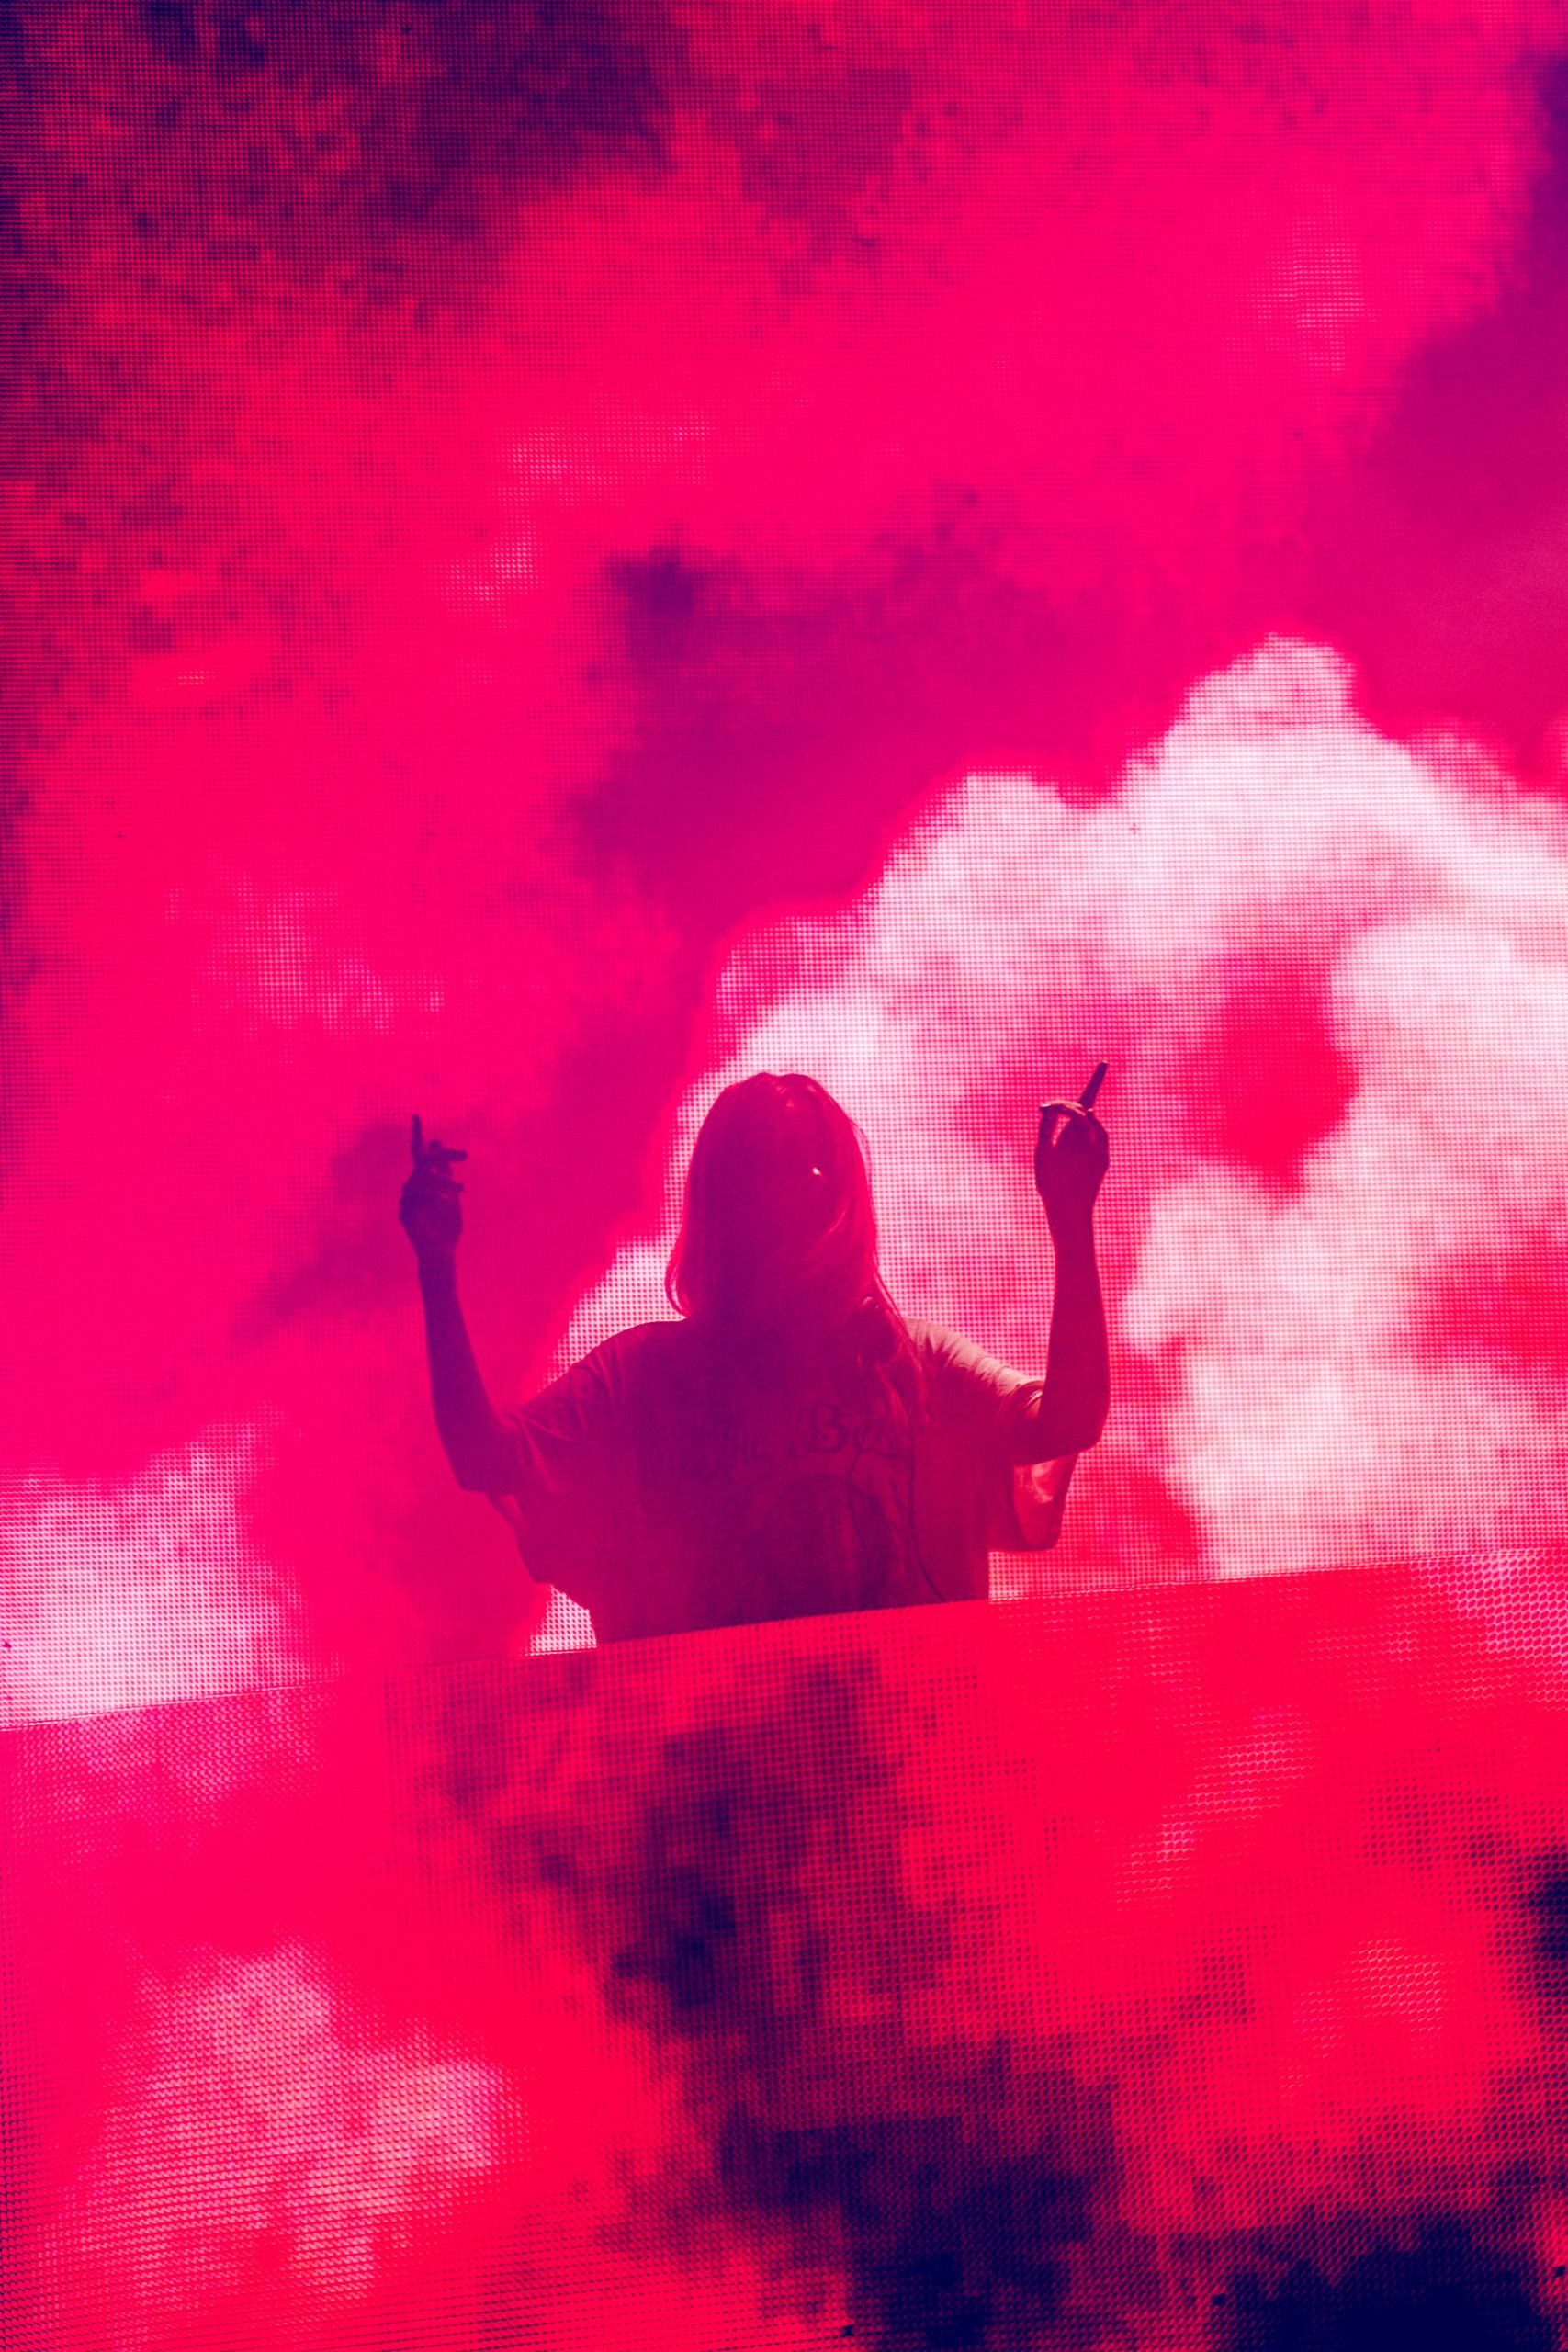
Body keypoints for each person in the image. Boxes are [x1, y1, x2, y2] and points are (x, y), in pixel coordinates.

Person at [399, 1073, 1109, 1644]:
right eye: (767, 1170)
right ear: (725, 1201)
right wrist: (435, 1266)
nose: (795, 1192)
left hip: (913, 1756)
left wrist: (1071, 1220)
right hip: (715, 1767)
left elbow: (1068, 1420)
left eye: (811, 1166)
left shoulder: (917, 1365)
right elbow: (486, 1457)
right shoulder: (644, 1379)